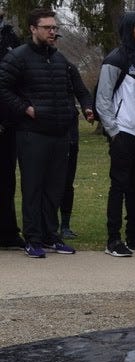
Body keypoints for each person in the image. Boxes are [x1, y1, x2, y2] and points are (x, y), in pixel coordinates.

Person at [0, 7, 93, 258]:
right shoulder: (18, 57)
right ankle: (33, 239)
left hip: (60, 133)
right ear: (33, 29)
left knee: (55, 187)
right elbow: (3, 88)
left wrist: (87, 108)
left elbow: (79, 88)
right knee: (33, 187)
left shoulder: (60, 59)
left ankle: (51, 236)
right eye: (47, 28)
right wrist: (26, 109)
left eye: (55, 28)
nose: (53, 32)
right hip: (31, 134)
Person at [97, 11, 135, 257]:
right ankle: (113, 239)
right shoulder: (115, 59)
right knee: (119, 186)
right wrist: (114, 131)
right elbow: (103, 99)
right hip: (123, 133)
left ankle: (134, 237)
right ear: (129, 29)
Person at [58, 58, 95, 243]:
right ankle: (43, 224)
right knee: (45, 182)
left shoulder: (68, 66)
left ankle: (64, 224)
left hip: (69, 132)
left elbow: (82, 92)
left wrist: (88, 108)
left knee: (67, 181)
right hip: (44, 131)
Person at [0, 15, 20, 249]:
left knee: (6, 179)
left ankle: (6, 232)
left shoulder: (11, 39)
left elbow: (15, 83)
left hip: (8, 124)